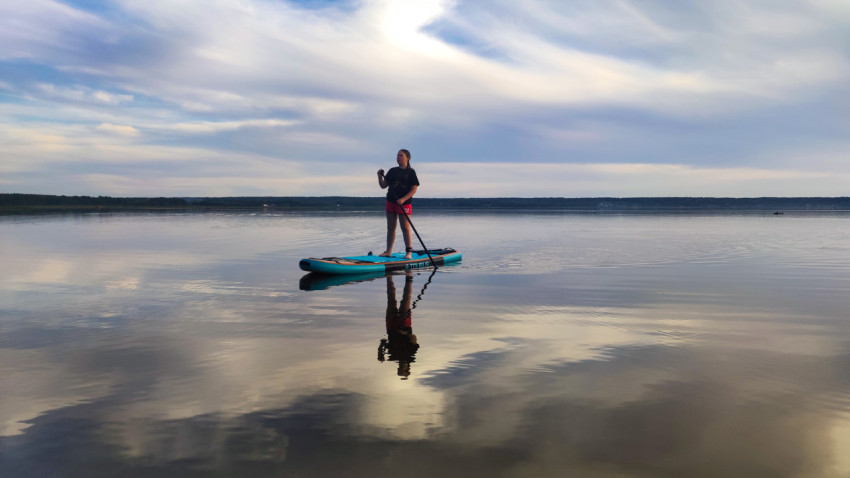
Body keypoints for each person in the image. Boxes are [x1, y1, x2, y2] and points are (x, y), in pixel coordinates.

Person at [377, 149, 419, 259]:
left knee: (405, 227)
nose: (398, 157)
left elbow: (414, 189)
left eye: (401, 156)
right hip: (391, 201)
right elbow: (383, 186)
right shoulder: (392, 171)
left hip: (404, 204)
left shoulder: (411, 172)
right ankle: (388, 251)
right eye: (397, 156)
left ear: (407, 158)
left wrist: (403, 199)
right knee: (390, 227)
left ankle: (408, 252)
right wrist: (379, 177)